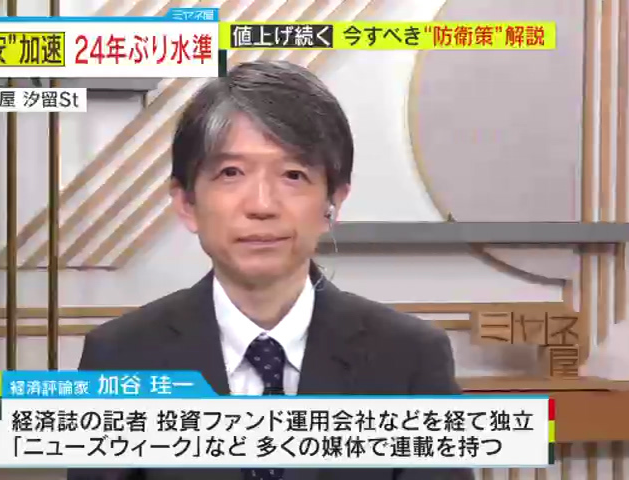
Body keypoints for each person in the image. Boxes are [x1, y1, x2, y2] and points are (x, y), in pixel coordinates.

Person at [68, 61, 474, 480]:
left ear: (332, 203)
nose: (262, 205)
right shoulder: (121, 357)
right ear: (187, 203)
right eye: (231, 173)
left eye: (293, 175)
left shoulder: (409, 358)